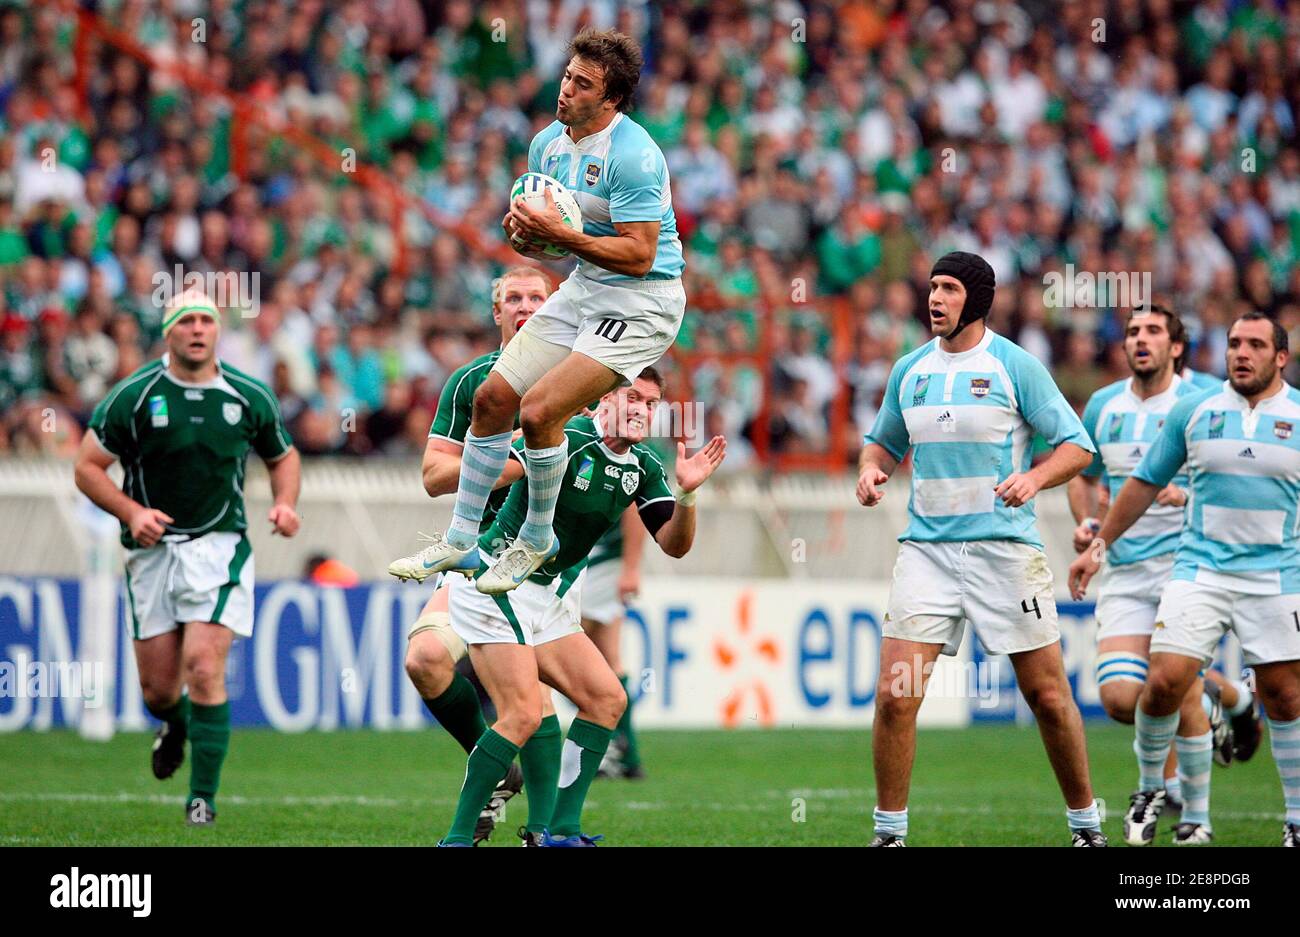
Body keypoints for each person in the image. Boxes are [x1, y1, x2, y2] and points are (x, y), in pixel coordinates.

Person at [387, 28, 686, 596]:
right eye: (568, 75)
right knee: (493, 399)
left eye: (583, 84)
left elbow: (640, 253)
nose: (566, 89)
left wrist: (560, 235)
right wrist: (528, 238)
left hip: (645, 299)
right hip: (586, 284)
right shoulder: (547, 143)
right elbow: (548, 241)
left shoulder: (636, 156)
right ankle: (460, 536)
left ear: (612, 99)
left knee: (541, 410)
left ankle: (536, 537)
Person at [857, 251, 1106, 846]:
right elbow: (881, 445)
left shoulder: (1015, 366)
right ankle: (890, 834)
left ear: (975, 299)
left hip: (1004, 553)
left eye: (947, 289)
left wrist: (1036, 478)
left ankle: (1086, 825)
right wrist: (870, 472)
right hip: (927, 554)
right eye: (931, 287)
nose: (934, 299)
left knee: (1047, 697)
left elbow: (1077, 446)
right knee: (896, 697)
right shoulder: (909, 370)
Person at [438, 368, 725, 846]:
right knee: (523, 714)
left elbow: (674, 546)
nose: (642, 410)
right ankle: (457, 838)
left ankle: (561, 834)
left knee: (607, 699)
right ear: (599, 401)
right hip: (495, 582)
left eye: (651, 404)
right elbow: (488, 473)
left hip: (545, 598)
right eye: (632, 397)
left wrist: (688, 493)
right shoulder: (563, 436)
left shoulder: (644, 467)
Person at [1070, 312, 1300, 848]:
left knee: (1286, 697)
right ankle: (1165, 798)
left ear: (1280, 357)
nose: (1241, 353)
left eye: (1255, 345)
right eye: (1234, 343)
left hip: (1276, 576)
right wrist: (1098, 544)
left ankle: (1294, 819)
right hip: (1198, 569)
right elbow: (1142, 482)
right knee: (1166, 680)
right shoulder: (1195, 411)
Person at [73, 288, 300, 826]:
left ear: (217, 331)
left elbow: (282, 456)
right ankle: (173, 724)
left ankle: (203, 800)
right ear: (168, 332)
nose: (198, 329)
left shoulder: (247, 395)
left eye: (207, 320)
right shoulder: (133, 395)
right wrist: (131, 513)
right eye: (187, 321)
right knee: (156, 691)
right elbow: (86, 466)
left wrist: (286, 504)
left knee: (203, 665)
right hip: (152, 552)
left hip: (219, 548)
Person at [392, 266, 550, 843]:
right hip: (478, 556)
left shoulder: (583, 378)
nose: (526, 306)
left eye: (538, 297)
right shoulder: (472, 384)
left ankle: (546, 826)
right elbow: (434, 476)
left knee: (542, 708)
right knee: (424, 660)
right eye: (515, 298)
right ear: (497, 311)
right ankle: (491, 763)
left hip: (547, 569)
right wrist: (512, 460)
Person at [583, 512, 648, 779]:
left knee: (559, 642)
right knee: (607, 657)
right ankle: (624, 754)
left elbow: (635, 504)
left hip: (604, 558)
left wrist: (630, 568)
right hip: (595, 556)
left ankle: (608, 747)